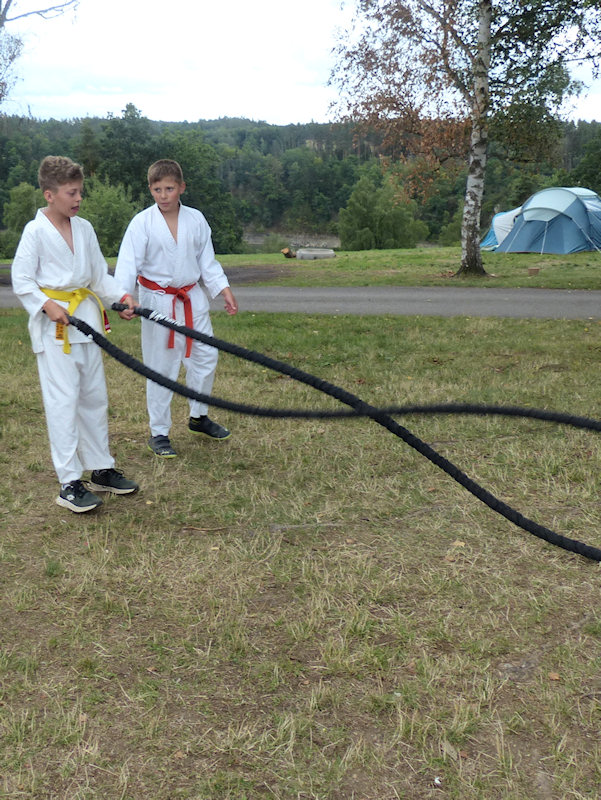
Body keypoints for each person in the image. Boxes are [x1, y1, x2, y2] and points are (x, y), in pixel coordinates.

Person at [11, 155, 139, 513]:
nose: (79, 198)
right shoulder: (35, 232)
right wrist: (45, 304)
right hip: (56, 330)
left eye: (80, 191)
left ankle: (101, 468)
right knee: (63, 402)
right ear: (49, 194)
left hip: (86, 323)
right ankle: (69, 482)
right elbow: (22, 280)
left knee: (94, 398)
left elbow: (98, 276)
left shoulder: (84, 229)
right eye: (71, 193)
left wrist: (120, 298)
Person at [114, 158, 238, 458]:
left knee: (205, 356)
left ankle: (199, 416)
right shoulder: (142, 223)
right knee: (161, 366)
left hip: (191, 298)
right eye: (157, 189)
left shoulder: (196, 219)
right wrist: (123, 297)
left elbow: (207, 261)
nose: (163, 195)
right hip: (157, 300)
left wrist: (223, 289)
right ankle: (159, 432)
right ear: (150, 189)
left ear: (181, 187)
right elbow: (127, 263)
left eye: (169, 189)